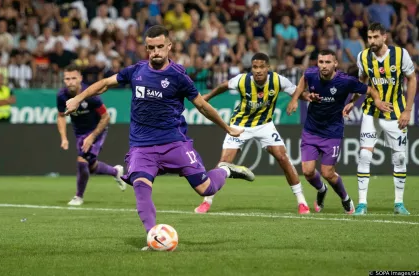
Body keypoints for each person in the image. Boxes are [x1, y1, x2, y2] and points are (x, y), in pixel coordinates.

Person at [64, 25, 255, 249]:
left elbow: (202, 106)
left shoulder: (178, 76)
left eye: (160, 47)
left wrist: (227, 128)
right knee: (141, 189)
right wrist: (79, 98)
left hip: (174, 143)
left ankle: (225, 169)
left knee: (206, 189)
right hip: (142, 147)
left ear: (169, 47)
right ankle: (154, 238)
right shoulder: (136, 71)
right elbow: (105, 83)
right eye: (151, 48)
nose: (156, 51)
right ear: (146, 48)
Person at [194, 52, 314, 215]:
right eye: (255, 67)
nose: (258, 70)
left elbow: (297, 92)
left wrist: (309, 97)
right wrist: (208, 96)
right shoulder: (242, 80)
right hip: (240, 125)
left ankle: (302, 202)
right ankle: (206, 202)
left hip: (265, 125)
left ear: (268, 68)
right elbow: (223, 85)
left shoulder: (278, 80)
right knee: (223, 163)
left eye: (261, 67)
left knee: (283, 157)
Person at [287, 49, 392, 214]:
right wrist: (295, 100)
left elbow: (370, 90)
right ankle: (322, 190)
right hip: (311, 130)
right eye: (321, 62)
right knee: (307, 172)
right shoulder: (311, 74)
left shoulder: (345, 81)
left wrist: (377, 101)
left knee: (328, 173)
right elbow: (303, 80)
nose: (323, 66)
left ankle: (345, 198)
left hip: (332, 132)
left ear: (335, 64)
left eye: (328, 62)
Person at [348, 22, 417, 215]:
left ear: (384, 37)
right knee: (364, 155)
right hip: (371, 112)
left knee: (400, 157)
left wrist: (408, 110)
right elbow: (361, 82)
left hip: (396, 113)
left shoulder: (400, 55)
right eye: (369, 37)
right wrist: (352, 101)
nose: (371, 41)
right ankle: (362, 203)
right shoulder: (363, 57)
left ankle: (399, 203)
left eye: (375, 37)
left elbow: (412, 79)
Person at [56, 64, 126, 206]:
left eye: (73, 78)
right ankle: (115, 172)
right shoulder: (62, 96)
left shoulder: (90, 95)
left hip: (96, 131)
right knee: (91, 166)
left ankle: (78, 196)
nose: (70, 81)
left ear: (80, 78)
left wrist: (92, 137)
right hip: (79, 133)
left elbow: (106, 117)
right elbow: (61, 116)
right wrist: (63, 138)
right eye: (67, 78)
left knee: (82, 161)